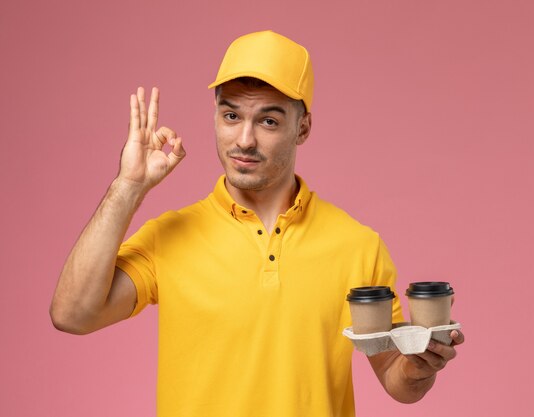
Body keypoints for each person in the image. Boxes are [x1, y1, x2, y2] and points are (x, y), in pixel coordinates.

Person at [50, 30, 464, 417]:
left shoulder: (358, 245)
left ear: (302, 127)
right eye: (231, 116)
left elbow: (396, 377)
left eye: (268, 121)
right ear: (215, 115)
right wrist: (128, 187)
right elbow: (72, 314)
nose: (244, 139)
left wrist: (418, 366)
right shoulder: (168, 237)